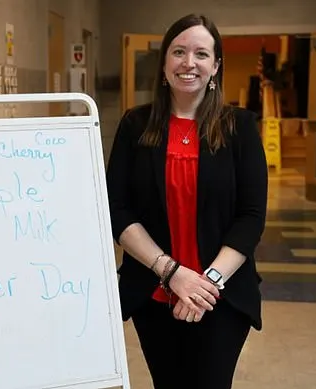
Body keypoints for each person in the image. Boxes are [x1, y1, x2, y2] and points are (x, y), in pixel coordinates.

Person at [105, 14, 268, 389]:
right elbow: (117, 210)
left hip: (220, 295)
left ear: (215, 67)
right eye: (178, 52)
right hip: (153, 290)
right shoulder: (135, 125)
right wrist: (173, 274)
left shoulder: (239, 127)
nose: (188, 63)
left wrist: (204, 285)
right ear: (164, 65)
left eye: (200, 54)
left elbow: (251, 216)